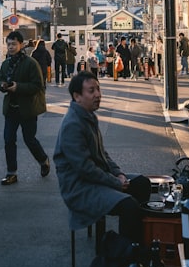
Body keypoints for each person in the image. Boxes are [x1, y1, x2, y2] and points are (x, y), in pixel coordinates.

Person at [54, 71, 151, 241]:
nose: (98, 95)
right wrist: (115, 183)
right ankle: (126, 258)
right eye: (91, 91)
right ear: (77, 96)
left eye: (98, 89)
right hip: (80, 188)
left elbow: (102, 153)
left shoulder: (87, 115)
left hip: (95, 179)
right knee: (129, 205)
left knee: (142, 183)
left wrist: (119, 174)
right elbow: (85, 168)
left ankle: (139, 242)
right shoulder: (73, 124)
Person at [0, 30, 50, 185]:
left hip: (27, 108)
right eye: (8, 44)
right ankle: (11, 173)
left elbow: (37, 85)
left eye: (14, 44)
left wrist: (18, 87)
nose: (11, 47)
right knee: (8, 140)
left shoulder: (30, 63)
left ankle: (43, 160)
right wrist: (2, 85)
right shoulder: (6, 64)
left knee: (29, 139)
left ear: (21, 45)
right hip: (11, 108)